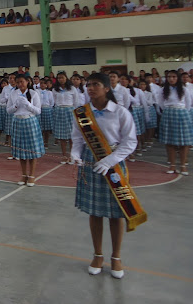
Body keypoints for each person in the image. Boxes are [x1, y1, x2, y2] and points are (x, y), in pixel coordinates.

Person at [70, 72, 137, 279]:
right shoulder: (81, 113)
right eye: (88, 85)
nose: (90, 88)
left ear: (107, 88)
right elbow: (78, 139)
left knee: (116, 213)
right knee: (95, 212)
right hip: (91, 163)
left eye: (95, 84)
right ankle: (97, 255)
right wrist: (74, 154)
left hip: (114, 164)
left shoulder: (120, 112)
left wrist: (110, 160)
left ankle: (116, 257)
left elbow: (130, 142)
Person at [7, 73, 44, 186]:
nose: (20, 84)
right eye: (18, 82)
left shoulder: (33, 93)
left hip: (30, 120)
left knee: (32, 150)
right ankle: (24, 175)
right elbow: (8, 110)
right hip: (18, 121)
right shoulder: (13, 93)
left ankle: (32, 175)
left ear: (27, 82)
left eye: (22, 82)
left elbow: (38, 111)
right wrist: (16, 106)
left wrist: (28, 105)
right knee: (21, 151)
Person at [156, 70, 192, 175]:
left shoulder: (184, 90)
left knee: (184, 141)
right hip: (168, 113)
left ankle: (183, 165)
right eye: (169, 77)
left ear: (178, 78)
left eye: (174, 77)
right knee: (169, 141)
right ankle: (172, 165)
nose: (171, 79)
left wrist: (180, 110)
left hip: (182, 113)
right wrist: (169, 110)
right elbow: (161, 103)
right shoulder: (163, 90)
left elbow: (188, 104)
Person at [53, 71, 80, 164]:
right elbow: (54, 101)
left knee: (71, 135)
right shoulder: (55, 89)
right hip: (59, 111)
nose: (61, 79)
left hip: (70, 111)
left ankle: (72, 155)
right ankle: (64, 155)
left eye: (62, 77)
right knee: (62, 136)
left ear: (66, 78)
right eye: (59, 78)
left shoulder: (72, 88)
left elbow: (76, 102)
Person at [38, 78, 54, 149]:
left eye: (44, 83)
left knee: (46, 128)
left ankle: (46, 142)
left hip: (47, 109)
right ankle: (40, 142)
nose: (42, 85)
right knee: (39, 127)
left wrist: (48, 108)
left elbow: (51, 102)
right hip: (39, 109)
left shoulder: (49, 93)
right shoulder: (37, 91)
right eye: (41, 83)